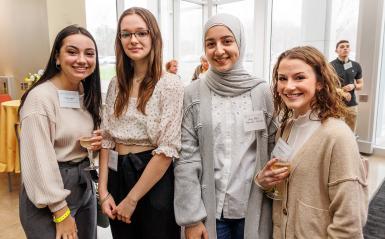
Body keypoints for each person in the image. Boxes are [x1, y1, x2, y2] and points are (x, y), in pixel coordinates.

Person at [174, 14, 277, 239]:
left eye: (227, 41)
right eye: (211, 44)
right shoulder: (193, 93)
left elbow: (272, 147)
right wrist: (191, 218)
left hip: (253, 206)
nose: (219, 50)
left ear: (240, 42)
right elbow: (186, 159)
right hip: (210, 210)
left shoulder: (262, 92)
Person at [256, 46, 368, 238]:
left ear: (320, 83)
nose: (289, 86)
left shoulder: (337, 136)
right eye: (282, 78)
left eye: (299, 78)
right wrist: (263, 181)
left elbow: (349, 221)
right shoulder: (287, 128)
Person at [98, 7, 183, 239]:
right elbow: (106, 139)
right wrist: (103, 191)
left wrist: (132, 199)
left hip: (152, 177)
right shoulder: (116, 83)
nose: (133, 40)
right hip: (117, 173)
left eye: (141, 33)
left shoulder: (170, 84)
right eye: (126, 34)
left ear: (153, 36)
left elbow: (167, 150)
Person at [18, 25, 103, 239]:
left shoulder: (86, 93)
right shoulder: (40, 98)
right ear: (57, 57)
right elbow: (39, 161)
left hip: (83, 185)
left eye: (89, 53)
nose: (82, 60)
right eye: (72, 52)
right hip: (50, 193)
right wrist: (60, 212)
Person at [330, 40, 364, 132]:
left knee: (350, 134)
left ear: (350, 49)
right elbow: (327, 86)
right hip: (335, 105)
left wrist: (354, 86)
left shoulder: (356, 65)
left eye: (347, 46)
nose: (345, 48)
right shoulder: (330, 66)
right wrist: (341, 92)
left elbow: (361, 85)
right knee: (336, 133)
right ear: (336, 50)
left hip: (351, 106)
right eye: (342, 46)